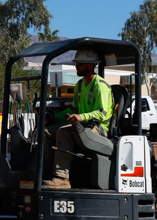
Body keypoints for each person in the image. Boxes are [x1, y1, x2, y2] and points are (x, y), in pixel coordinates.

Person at [42, 49, 114, 189]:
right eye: (76, 63)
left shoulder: (100, 85)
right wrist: (54, 117)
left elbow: (102, 113)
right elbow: (74, 110)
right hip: (83, 126)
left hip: (97, 129)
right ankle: (48, 174)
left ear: (90, 65)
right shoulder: (80, 85)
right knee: (45, 132)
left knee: (63, 132)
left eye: (79, 63)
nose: (76, 66)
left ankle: (62, 178)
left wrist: (82, 117)